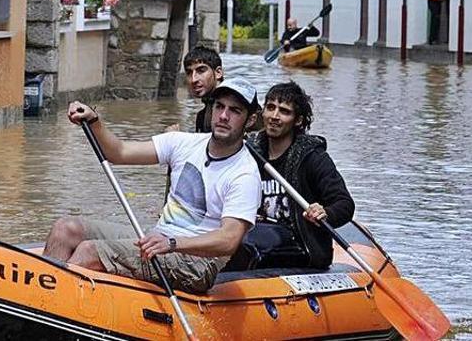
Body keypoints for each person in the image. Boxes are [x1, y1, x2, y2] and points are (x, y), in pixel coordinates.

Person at [45, 79, 263, 294]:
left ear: (250, 120)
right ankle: (39, 300)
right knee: (65, 229)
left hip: (198, 263)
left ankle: (53, 310)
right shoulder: (184, 143)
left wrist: (172, 243)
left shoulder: (245, 173)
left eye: (235, 111)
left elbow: (229, 240)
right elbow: (119, 152)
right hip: (158, 238)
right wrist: (94, 121)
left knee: (89, 251)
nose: (224, 116)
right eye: (219, 107)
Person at [229, 82, 354, 270]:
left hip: (299, 242)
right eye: (270, 108)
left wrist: (325, 212)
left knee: (245, 240)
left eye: (284, 111)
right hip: (256, 230)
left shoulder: (312, 157)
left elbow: (345, 204)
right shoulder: (249, 153)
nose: (274, 117)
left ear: (298, 120)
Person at [167, 46, 223, 133]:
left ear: (218, 73)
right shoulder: (202, 116)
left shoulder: (231, 109)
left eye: (201, 71)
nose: (194, 79)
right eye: (189, 73)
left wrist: (175, 139)